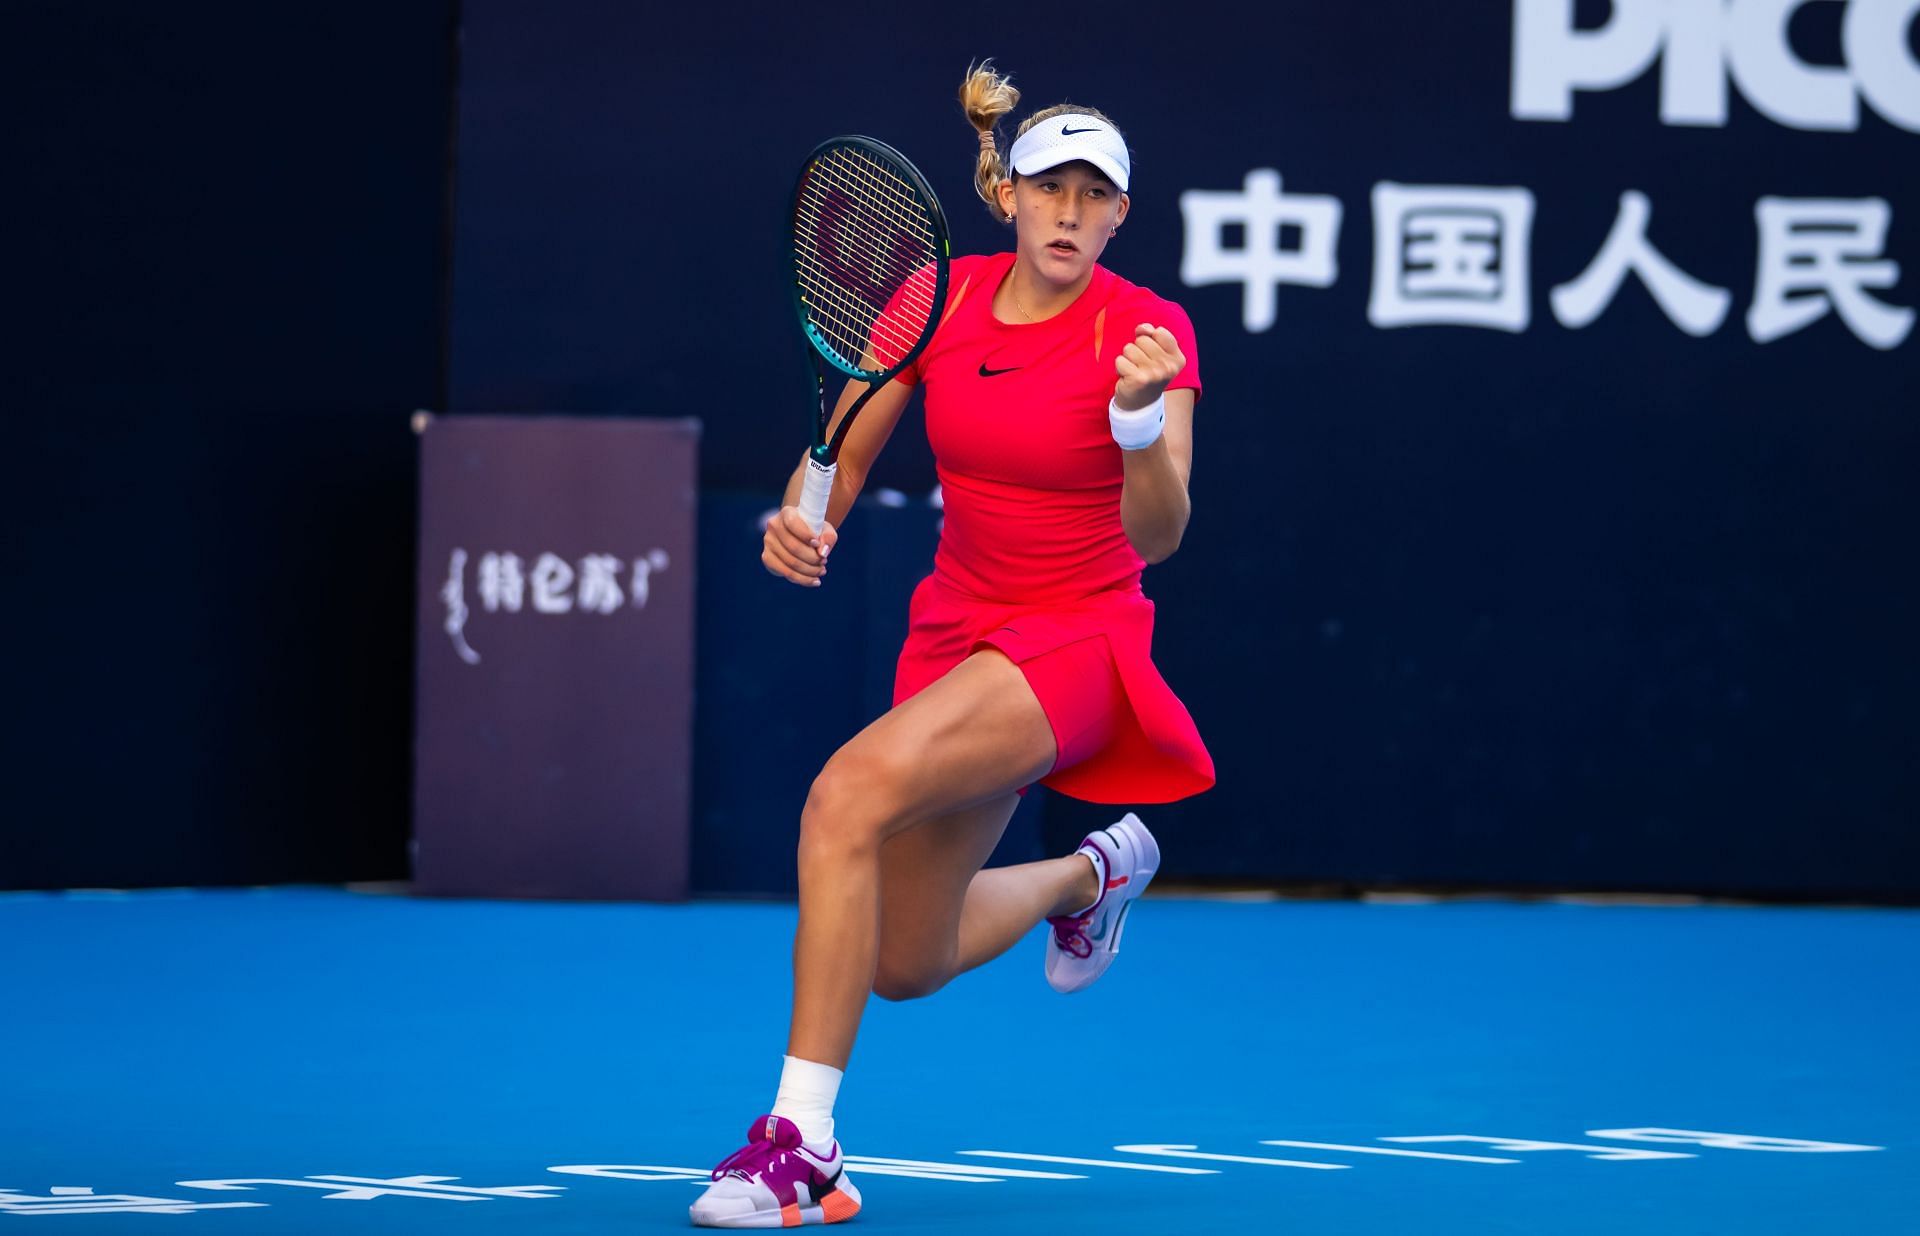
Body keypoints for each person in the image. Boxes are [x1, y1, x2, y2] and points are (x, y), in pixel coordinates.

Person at [689, 60, 1214, 1228]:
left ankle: (802, 1147)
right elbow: (844, 451)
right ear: (1009, 195)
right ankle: (1097, 872)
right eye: (1050, 188)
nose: (1070, 212)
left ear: (1123, 212)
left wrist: (1139, 430)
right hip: (956, 631)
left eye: (1095, 194)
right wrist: (803, 518)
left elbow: (1162, 533)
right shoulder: (939, 296)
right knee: (904, 960)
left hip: (1078, 639)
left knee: (844, 796)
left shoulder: (1149, 331)